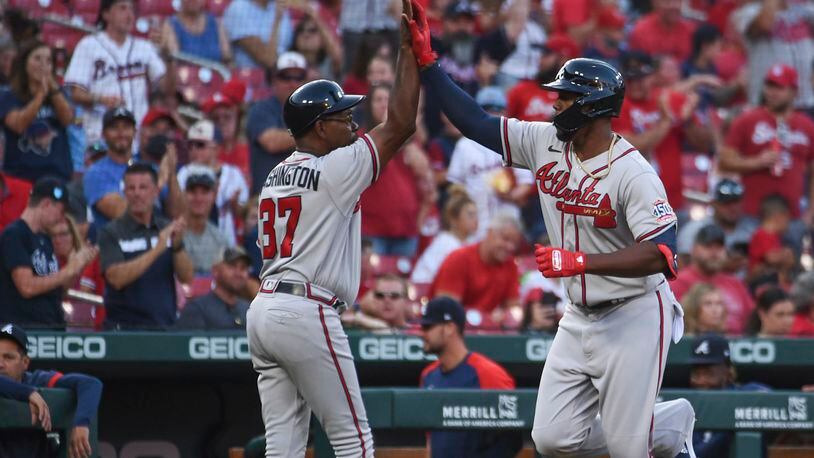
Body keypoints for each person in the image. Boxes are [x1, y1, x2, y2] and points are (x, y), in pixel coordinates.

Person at [406, 4, 697, 455]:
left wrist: (580, 262)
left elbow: (662, 254)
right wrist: (430, 66)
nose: (554, 102)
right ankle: (665, 426)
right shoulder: (545, 140)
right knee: (552, 438)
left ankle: (643, 435)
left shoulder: (633, 172)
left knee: (625, 452)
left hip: (635, 312)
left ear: (594, 107)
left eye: (565, 97)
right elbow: (475, 123)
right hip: (580, 313)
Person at [245, 0, 419, 454]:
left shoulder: (274, 176)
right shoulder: (334, 169)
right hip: (306, 308)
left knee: (282, 445)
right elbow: (400, 124)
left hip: (264, 310)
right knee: (353, 440)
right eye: (342, 117)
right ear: (319, 128)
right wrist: (408, 52)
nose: (352, 123)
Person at [419, 296, 523, 458]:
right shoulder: (428, 376)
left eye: (428, 327)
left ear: (449, 328)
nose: (422, 333)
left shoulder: (488, 373)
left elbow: (512, 440)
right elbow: (431, 440)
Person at [97, 164, 193, 330]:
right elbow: (116, 279)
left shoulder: (166, 227)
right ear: (124, 192)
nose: (137, 194)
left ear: (155, 191)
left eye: (143, 187)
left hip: (164, 328)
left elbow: (187, 277)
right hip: (124, 330)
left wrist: (177, 247)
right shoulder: (111, 232)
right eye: (131, 188)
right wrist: (157, 250)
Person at [64, 0, 171, 144]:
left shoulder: (144, 47)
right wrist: (101, 99)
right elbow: (76, 93)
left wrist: (169, 57)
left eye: (131, 10)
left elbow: (166, 88)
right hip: (99, 137)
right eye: (122, 8)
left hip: (138, 139)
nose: (129, 15)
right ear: (106, 14)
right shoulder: (88, 45)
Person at [719, 63, 814, 223]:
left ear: (794, 91)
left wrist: (811, 211)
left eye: (779, 88)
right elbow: (725, 161)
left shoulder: (806, 126)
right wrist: (757, 162)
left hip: (792, 216)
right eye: (769, 86)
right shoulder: (747, 120)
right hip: (752, 213)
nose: (772, 93)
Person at [0, 178, 97, 329]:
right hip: (25, 330)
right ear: (46, 204)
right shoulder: (15, 235)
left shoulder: (44, 238)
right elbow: (27, 287)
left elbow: (59, 291)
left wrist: (76, 266)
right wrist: (68, 270)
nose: (62, 217)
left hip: (52, 325)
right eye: (61, 210)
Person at [0, 323, 103, 458]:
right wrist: (28, 393)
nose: (0, 364)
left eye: (8, 357)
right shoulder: (31, 388)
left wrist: (81, 424)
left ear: (25, 362)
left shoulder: (37, 380)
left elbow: (90, 384)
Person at [447, 87, 534, 241]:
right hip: (475, 222)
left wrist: (511, 196)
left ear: (505, 113)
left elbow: (526, 182)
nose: (493, 114)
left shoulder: (513, 142)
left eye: (498, 109)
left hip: (507, 220)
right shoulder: (464, 145)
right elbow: (455, 187)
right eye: (487, 109)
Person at [430, 214, 522, 329]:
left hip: (488, 333)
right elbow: (445, 310)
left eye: (514, 243)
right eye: (505, 239)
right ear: (489, 233)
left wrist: (506, 316)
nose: (510, 247)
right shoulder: (459, 258)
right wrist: (486, 318)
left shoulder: (510, 265)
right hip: (452, 331)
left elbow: (514, 309)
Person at [0, 40, 73, 182]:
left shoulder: (58, 94)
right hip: (20, 175)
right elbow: (19, 125)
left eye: (48, 60)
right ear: (24, 63)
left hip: (56, 175)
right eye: (37, 59)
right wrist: (40, 96)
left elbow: (67, 119)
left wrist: (52, 87)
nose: (43, 65)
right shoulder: (8, 95)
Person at [687, 333, 771, 457]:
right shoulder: (688, 406)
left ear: (727, 370)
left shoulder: (746, 392)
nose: (701, 380)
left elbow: (769, 396)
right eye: (697, 374)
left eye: (708, 373)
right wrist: (730, 428)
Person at [671, 224, 756, 335]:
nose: (714, 252)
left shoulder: (735, 283)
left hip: (738, 344)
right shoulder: (678, 282)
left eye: (719, 247)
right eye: (708, 246)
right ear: (693, 249)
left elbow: (753, 318)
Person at [732, 0, 814, 110]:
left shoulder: (807, 7)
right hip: (768, 105)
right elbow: (764, 24)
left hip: (807, 101)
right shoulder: (749, 11)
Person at [177, 120, 249, 246]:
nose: (193, 150)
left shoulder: (233, 173)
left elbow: (244, 214)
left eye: (200, 145)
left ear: (216, 148)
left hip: (226, 242)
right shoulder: (184, 173)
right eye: (190, 145)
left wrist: (235, 205)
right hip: (192, 242)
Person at [245, 52, 306, 194]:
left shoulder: (313, 110)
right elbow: (272, 142)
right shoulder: (261, 109)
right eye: (286, 77)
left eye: (299, 78)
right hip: (268, 198)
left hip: (303, 197)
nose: (293, 83)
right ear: (273, 80)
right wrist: (313, 131)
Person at [677, 179, 757, 260]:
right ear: (714, 203)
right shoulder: (696, 228)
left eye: (736, 202)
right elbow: (683, 260)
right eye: (727, 203)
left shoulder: (753, 228)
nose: (732, 208)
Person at [411, 186, 478, 284]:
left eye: (476, 215)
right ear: (454, 220)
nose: (476, 220)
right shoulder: (446, 242)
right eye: (470, 215)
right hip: (425, 290)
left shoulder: (470, 243)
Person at [176, 247, 251, 329]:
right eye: (232, 266)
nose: (238, 273)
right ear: (215, 270)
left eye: (243, 268)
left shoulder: (250, 310)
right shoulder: (197, 309)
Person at [180, 166, 229, 275]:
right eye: (192, 191)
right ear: (184, 194)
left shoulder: (220, 239)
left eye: (204, 192)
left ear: (214, 195)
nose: (198, 198)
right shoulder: (174, 235)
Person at [223, 0, 293, 70]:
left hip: (287, 72)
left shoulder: (277, 6)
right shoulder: (239, 7)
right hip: (252, 76)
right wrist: (277, 21)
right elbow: (268, 61)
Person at [162, 0, 233, 64]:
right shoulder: (170, 25)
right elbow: (174, 61)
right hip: (185, 77)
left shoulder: (216, 23)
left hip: (216, 77)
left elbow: (228, 59)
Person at [628, 0, 697, 62]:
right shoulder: (641, 31)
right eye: (667, 2)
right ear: (655, 3)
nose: (674, 6)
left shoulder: (691, 30)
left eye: (678, 1)